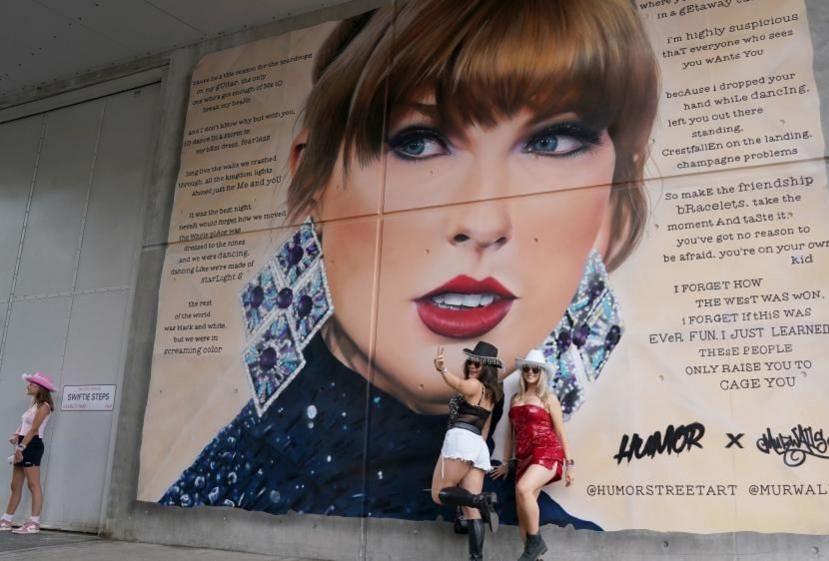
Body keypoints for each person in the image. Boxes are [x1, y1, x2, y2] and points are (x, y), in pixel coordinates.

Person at [160, 0, 658, 528]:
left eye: (550, 141)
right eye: (418, 142)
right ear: (314, 183)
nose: (483, 220)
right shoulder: (226, 488)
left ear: (612, 200)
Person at [492, 350, 572, 560]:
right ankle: (534, 556)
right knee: (522, 513)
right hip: (523, 457)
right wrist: (507, 462)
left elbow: (560, 431)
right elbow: (511, 433)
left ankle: (535, 542)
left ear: (541, 372)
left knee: (523, 488)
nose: (529, 372)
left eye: (534, 368)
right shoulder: (516, 399)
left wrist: (569, 465)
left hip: (547, 451)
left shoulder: (549, 398)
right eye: (526, 368)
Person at [430, 342, 502, 561]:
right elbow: (486, 428)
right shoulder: (492, 393)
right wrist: (476, 448)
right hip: (478, 444)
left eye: (477, 363)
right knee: (471, 510)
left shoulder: (474, 385)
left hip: (461, 438)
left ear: (487, 368)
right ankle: (476, 558)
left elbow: (458, 384)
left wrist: (442, 369)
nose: (472, 365)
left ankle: (482, 498)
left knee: (439, 493)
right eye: (470, 361)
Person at [1, 373, 56, 534]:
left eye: (31, 384)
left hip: (32, 445)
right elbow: (24, 425)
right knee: (15, 485)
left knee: (33, 484)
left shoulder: (44, 406)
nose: (28, 386)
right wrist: (16, 434)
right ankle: (6, 520)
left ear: (39, 388)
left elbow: (34, 429)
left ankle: (34, 523)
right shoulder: (33, 404)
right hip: (23, 443)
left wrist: (21, 448)